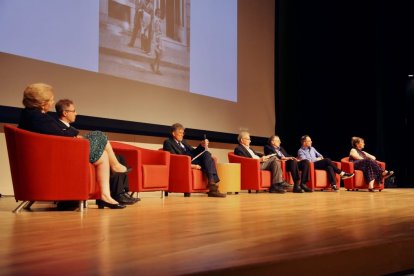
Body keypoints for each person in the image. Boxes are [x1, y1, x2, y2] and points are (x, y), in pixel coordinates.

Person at [18, 83, 127, 209]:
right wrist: (74, 135)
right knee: (100, 135)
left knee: (102, 154)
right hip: (58, 157)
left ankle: (106, 194)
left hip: (54, 154)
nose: (53, 103)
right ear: (43, 102)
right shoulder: (37, 117)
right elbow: (62, 133)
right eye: (51, 99)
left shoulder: (29, 115)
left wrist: (72, 135)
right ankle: (114, 170)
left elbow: (61, 132)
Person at [55, 99, 138, 205]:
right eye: (74, 110)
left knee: (120, 157)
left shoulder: (71, 129)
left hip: (81, 151)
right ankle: (117, 193)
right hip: (75, 156)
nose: (76, 113)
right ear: (65, 113)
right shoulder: (57, 127)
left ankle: (122, 192)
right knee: (101, 138)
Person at [163, 123, 226, 197]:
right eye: (180, 133)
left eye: (183, 133)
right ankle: (213, 189)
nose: (182, 135)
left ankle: (212, 185)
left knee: (207, 155)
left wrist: (201, 145)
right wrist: (192, 166)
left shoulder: (184, 142)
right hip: (184, 162)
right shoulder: (168, 142)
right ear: (173, 133)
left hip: (192, 159)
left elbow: (193, 152)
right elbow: (173, 158)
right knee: (209, 161)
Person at [150, 8, 163, 75]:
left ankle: (153, 65)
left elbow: (160, 30)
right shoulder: (155, 20)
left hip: (159, 38)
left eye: (160, 13)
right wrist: (152, 39)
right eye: (158, 12)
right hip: (156, 38)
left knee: (159, 55)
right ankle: (157, 69)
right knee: (158, 54)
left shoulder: (159, 20)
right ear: (156, 13)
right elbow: (153, 29)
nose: (159, 14)